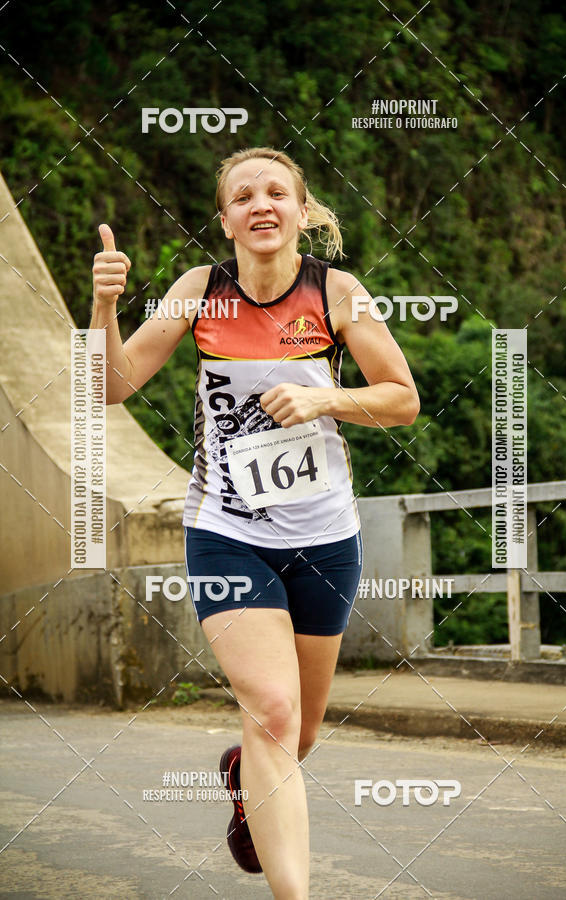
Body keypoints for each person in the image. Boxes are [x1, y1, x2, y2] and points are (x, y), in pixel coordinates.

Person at [91, 146, 419, 899]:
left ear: (303, 213)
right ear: (226, 219)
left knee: (295, 737)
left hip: (326, 537)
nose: (261, 204)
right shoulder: (199, 290)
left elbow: (401, 398)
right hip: (228, 531)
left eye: (278, 193)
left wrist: (326, 400)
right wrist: (105, 308)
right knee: (271, 711)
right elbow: (113, 383)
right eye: (244, 196)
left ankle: (244, 779)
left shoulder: (339, 294)